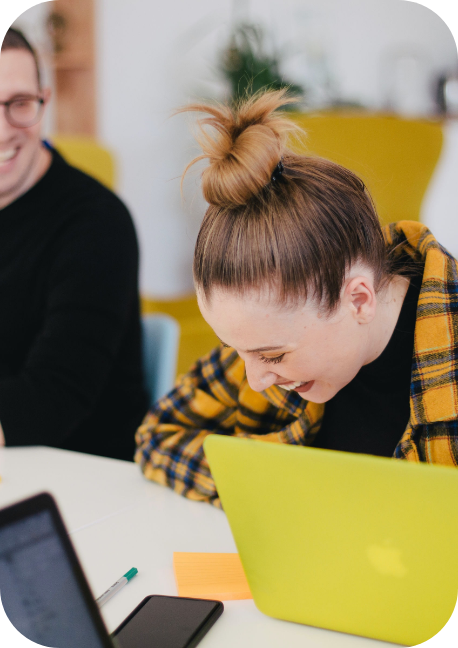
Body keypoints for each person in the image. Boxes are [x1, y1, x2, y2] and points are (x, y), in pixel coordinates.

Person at [135, 89, 458, 506]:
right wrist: (277, 487)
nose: (255, 379)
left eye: (272, 355)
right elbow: (158, 436)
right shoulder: (266, 336)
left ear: (358, 300)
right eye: (237, 349)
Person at [0, 27, 148, 460]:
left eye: (20, 104)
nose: (4, 130)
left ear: (44, 100)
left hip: (80, 480)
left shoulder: (97, 224)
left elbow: (50, 400)